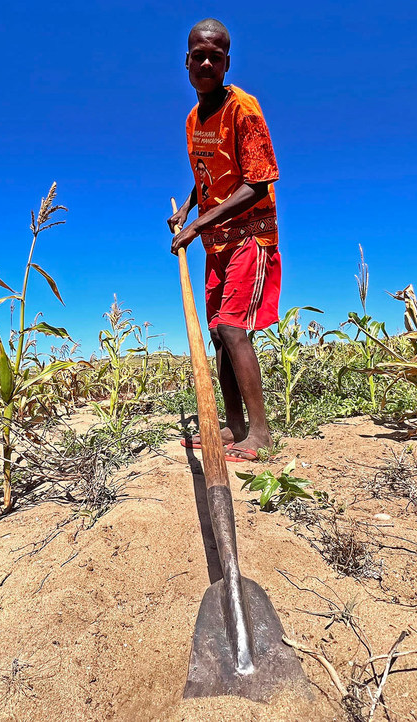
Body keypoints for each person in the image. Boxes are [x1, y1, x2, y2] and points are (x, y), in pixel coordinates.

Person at [169, 18, 281, 462]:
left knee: (234, 327)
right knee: (218, 334)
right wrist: (188, 207)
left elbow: (255, 182)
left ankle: (261, 433)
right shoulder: (193, 119)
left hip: (252, 236)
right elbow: (212, 172)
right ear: (187, 61)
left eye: (216, 56)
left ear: (228, 62)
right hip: (216, 240)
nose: (207, 62)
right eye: (200, 54)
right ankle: (234, 429)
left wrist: (196, 225)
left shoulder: (244, 110)